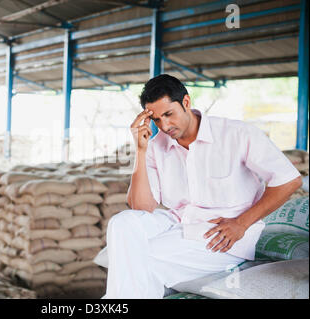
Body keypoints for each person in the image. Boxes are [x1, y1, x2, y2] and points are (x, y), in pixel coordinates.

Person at [93, 74, 303, 299]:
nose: (164, 126)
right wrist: (141, 150)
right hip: (177, 223)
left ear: (186, 102)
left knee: (139, 258)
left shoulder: (236, 134)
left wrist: (241, 223)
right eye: (156, 119)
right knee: (122, 222)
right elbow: (140, 207)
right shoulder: (156, 146)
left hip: (221, 235)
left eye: (168, 114)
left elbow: (289, 179)